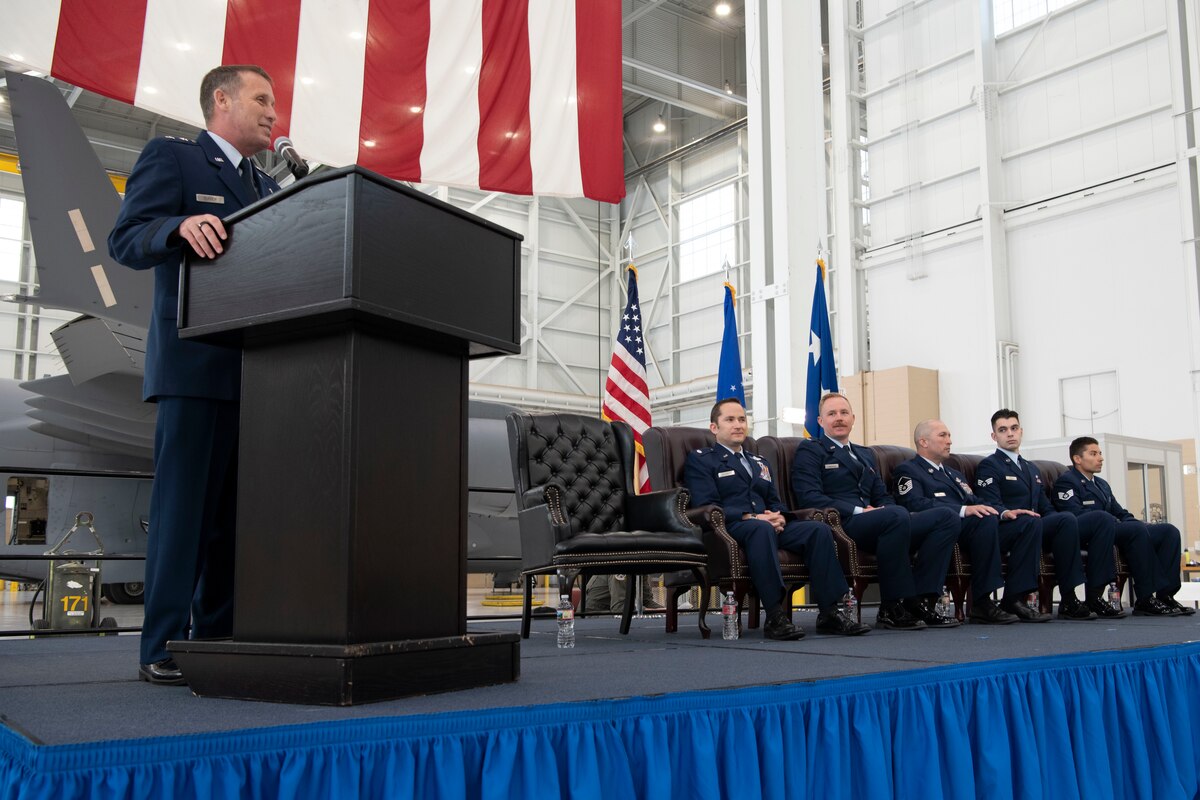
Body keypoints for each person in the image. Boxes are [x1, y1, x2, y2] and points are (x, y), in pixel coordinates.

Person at [108, 65, 281, 685]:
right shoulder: (175, 159)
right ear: (222, 99)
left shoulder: (265, 186)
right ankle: (161, 645)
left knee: (235, 524)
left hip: (257, 379)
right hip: (195, 367)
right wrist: (176, 227)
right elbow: (125, 238)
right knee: (184, 514)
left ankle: (217, 638)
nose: (271, 111)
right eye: (261, 98)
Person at [684, 399, 870, 639]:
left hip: (767, 525)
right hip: (730, 529)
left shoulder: (759, 462)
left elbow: (775, 500)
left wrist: (779, 516)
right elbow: (706, 504)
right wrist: (752, 516)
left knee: (817, 530)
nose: (738, 425)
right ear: (714, 428)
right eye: (729, 420)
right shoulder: (702, 459)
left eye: (741, 419)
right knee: (759, 530)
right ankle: (774, 615)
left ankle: (829, 613)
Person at [790, 393, 961, 631]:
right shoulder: (811, 451)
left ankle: (922, 600)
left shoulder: (865, 454)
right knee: (895, 516)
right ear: (820, 421)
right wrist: (862, 510)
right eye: (831, 414)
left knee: (946, 517)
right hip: (843, 523)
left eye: (843, 413)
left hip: (883, 521)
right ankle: (891, 606)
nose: (838, 419)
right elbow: (810, 497)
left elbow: (882, 495)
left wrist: (891, 510)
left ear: (853, 418)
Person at [892, 420, 1049, 624]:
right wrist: (963, 510)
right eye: (943, 436)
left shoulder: (954, 474)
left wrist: (1005, 512)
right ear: (923, 441)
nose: (949, 441)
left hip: (969, 531)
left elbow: (976, 501)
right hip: (938, 528)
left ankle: (1009, 599)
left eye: (949, 435)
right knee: (982, 520)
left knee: (1028, 522)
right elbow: (913, 503)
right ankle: (970, 601)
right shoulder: (908, 470)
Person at [973, 410, 1108, 620]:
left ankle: (1069, 598)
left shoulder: (1031, 468)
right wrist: (1006, 512)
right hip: (1004, 527)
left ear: (1021, 432)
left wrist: (1056, 521)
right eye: (1003, 430)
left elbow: (1045, 507)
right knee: (1033, 522)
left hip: (1032, 526)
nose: (1010, 434)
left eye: (1014, 428)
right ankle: (1014, 598)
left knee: (1065, 520)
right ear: (994, 437)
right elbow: (987, 502)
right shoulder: (990, 465)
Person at [1053, 437, 1191, 616]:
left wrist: (1137, 522)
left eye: (1100, 453)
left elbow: (1120, 511)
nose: (1100, 458)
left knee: (1168, 531)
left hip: (1114, 528)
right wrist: (1122, 524)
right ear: (1077, 459)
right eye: (1093, 454)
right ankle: (1145, 598)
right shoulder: (1067, 482)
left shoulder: (1101, 484)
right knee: (1135, 530)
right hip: (1090, 532)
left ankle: (1165, 595)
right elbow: (1073, 515)